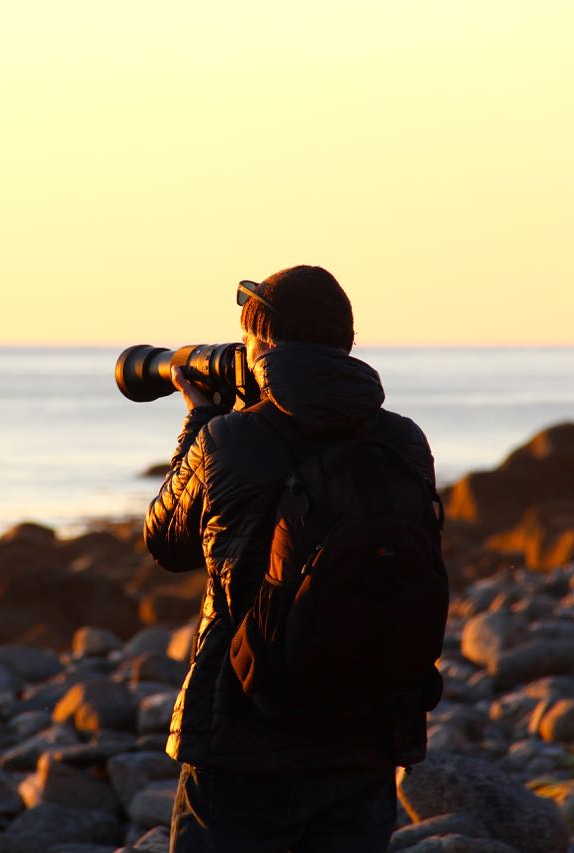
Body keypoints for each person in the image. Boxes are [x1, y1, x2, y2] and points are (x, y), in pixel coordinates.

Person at [144, 265, 439, 853]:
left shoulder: (229, 438)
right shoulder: (404, 440)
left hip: (242, 733)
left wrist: (201, 419)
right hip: (366, 732)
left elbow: (167, 543)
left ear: (264, 342)